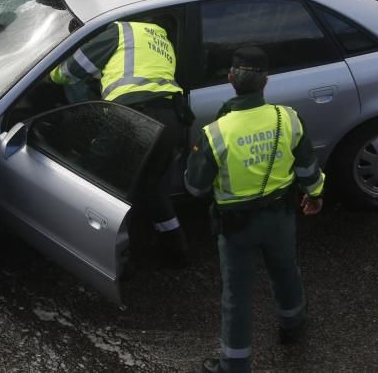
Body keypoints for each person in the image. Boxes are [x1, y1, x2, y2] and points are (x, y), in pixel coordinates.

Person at [184, 46, 325, 373]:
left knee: (237, 297)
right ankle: (293, 324)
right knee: (286, 270)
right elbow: (307, 169)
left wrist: (192, 157)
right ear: (266, 82)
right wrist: (315, 196)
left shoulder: (216, 132)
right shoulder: (287, 117)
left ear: (231, 78)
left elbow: (195, 188)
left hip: (236, 229)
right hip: (280, 217)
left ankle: (234, 365)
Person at [50, 19, 192, 264]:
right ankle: (177, 251)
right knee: (152, 187)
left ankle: (114, 257)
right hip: (170, 118)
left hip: (131, 119)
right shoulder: (158, 33)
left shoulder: (117, 31)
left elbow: (67, 73)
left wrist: (49, 73)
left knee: (96, 180)